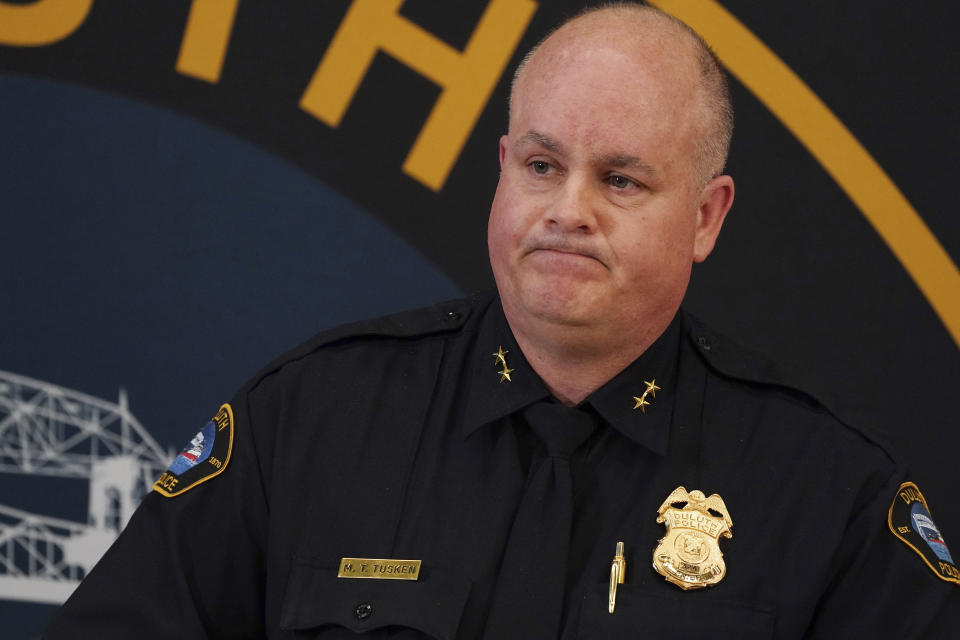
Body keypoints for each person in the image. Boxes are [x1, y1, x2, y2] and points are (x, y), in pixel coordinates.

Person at [45, 3, 957, 638]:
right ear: (501, 168)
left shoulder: (829, 495)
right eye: (540, 164)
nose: (568, 209)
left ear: (708, 217)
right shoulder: (311, 420)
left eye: (621, 179)